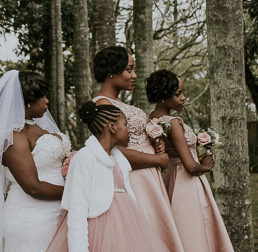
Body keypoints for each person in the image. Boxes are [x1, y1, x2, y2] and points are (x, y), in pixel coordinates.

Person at [92, 46, 184, 251]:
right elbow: (111, 150)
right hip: (135, 177)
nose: (134, 75)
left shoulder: (116, 102)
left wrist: (155, 142)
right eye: (129, 70)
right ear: (111, 72)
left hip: (149, 175)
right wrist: (157, 160)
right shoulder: (101, 105)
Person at [46, 102, 169, 252]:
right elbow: (77, 210)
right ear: (112, 127)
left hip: (125, 226)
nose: (128, 129)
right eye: (125, 124)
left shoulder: (118, 159)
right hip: (98, 230)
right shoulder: (85, 158)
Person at [147, 69, 234, 252]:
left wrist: (194, 155)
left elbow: (175, 153)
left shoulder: (151, 119)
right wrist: (206, 167)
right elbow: (190, 167)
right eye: (178, 94)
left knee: (177, 230)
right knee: (193, 231)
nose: (183, 98)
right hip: (186, 183)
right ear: (163, 96)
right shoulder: (173, 122)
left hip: (169, 179)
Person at [0, 70, 70, 252]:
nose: (47, 101)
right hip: (31, 218)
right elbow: (33, 187)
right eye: (42, 97)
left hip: (58, 211)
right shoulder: (14, 136)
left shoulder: (38, 127)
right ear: (27, 101)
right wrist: (76, 191)